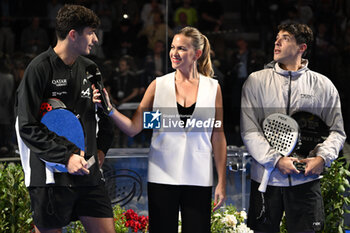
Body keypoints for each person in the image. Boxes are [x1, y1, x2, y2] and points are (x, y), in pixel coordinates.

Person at [93, 26, 227, 233]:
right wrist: (109, 110)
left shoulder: (212, 88)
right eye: (173, 47)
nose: (174, 53)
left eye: (181, 48)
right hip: (162, 176)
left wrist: (222, 182)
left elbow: (217, 136)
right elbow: (133, 128)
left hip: (199, 176)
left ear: (197, 54)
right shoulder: (158, 86)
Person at [15, 5, 115, 233]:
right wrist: (66, 157)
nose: (96, 39)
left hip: (88, 176)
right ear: (73, 34)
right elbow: (27, 127)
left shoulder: (91, 69)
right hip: (50, 178)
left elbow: (103, 114)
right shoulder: (38, 69)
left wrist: (101, 149)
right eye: (90, 32)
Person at [240, 23, 346, 232]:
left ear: (302, 48)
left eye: (286, 38)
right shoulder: (256, 81)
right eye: (277, 37)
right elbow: (249, 130)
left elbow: (337, 131)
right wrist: (276, 160)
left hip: (306, 181)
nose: (277, 42)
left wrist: (322, 158)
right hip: (266, 180)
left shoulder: (323, 85)